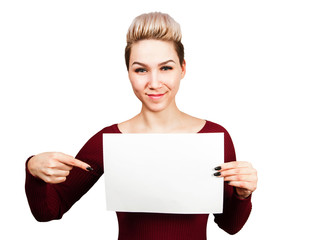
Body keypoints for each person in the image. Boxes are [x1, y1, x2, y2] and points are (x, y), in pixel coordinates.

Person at [25, 12, 258, 239]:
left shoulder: (214, 136)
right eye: (141, 70)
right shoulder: (109, 140)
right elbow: (48, 212)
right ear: (128, 72)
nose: (154, 83)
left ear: (182, 68)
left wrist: (243, 194)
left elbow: (230, 226)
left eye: (165, 68)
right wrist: (33, 168)